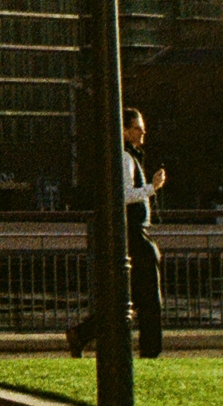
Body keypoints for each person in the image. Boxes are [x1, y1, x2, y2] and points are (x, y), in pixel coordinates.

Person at [67, 106, 165, 361]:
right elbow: (122, 195)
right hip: (134, 234)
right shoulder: (124, 158)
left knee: (123, 300)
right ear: (124, 130)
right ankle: (151, 352)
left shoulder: (127, 157)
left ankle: (82, 333)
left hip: (130, 234)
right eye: (137, 128)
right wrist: (151, 188)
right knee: (150, 299)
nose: (143, 132)